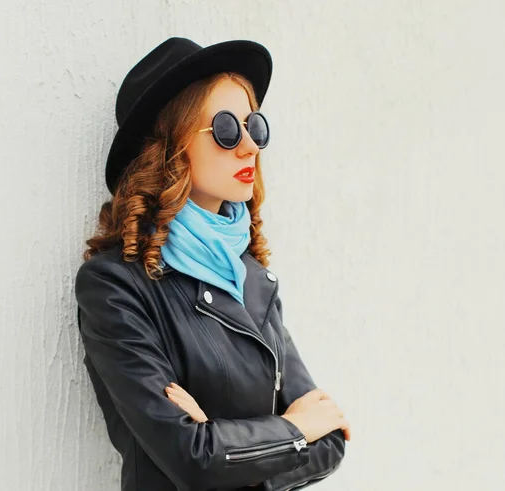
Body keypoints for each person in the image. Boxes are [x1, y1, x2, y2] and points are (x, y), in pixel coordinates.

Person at [74, 37, 350, 491]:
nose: (249, 147)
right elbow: (190, 457)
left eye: (254, 127)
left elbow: (333, 439)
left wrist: (225, 446)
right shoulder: (116, 287)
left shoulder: (254, 280)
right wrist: (295, 429)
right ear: (169, 146)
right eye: (226, 129)